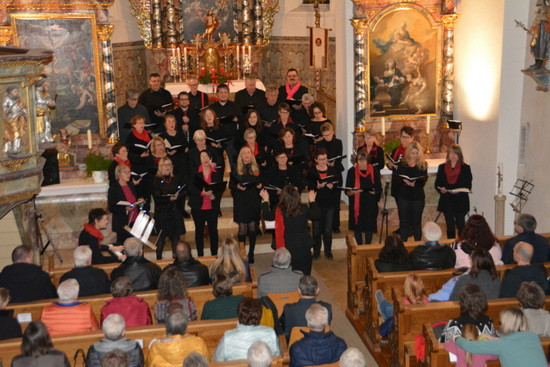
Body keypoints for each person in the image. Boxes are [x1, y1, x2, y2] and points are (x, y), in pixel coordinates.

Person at [455, 307, 547, 367]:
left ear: (507, 324)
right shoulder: (534, 338)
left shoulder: (502, 344)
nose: (500, 325)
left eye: (501, 323)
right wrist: (496, 339)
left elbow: (472, 346)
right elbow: (516, 344)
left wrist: (456, 338)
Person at [260, 186, 321, 275]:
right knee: (304, 274)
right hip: (303, 247)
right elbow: (317, 215)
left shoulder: (278, 209)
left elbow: (267, 216)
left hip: (285, 247)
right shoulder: (303, 208)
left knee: (287, 274)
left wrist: (265, 201)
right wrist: (312, 201)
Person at [213, 298, 281, 361]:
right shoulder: (270, 333)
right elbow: (278, 358)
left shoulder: (227, 338)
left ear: (239, 314)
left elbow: (217, 361)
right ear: (260, 315)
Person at [188, 150, 224, 256]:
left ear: (210, 158)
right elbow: (190, 188)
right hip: (198, 206)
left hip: (211, 206)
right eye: (202, 157)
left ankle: (214, 255)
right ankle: (200, 255)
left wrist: (214, 196)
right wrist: (201, 193)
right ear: (199, 160)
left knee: (213, 231)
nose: (205, 159)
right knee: (199, 231)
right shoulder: (195, 172)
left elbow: (219, 189)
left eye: (207, 156)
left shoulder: (216, 173)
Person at [307, 148, 342, 259]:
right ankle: (316, 252)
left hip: (329, 203)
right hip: (316, 203)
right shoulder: (312, 171)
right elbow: (309, 186)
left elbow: (338, 185)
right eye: (321, 159)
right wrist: (317, 187)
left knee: (328, 229)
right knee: (316, 229)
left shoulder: (332, 170)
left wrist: (333, 187)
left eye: (325, 159)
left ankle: (328, 251)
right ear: (316, 160)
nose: (323, 161)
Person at [230, 146, 263, 263]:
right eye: (244, 153)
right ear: (241, 155)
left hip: (253, 199)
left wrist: (260, 186)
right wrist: (237, 186)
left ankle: (251, 252)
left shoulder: (256, 167)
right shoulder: (236, 168)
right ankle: (242, 252)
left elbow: (262, 182)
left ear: (251, 154)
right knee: (242, 228)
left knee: (253, 226)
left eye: (248, 153)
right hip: (241, 200)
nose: (246, 155)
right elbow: (231, 184)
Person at [434, 144, 473, 239]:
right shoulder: (442, 167)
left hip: (460, 200)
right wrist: (441, 190)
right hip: (447, 199)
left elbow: (468, 185)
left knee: (461, 226)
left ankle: (461, 246)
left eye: (456, 153)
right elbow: (437, 184)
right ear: (448, 154)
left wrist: (458, 191)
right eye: (451, 153)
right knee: (450, 226)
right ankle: (450, 244)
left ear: (459, 155)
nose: (453, 155)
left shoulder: (465, 168)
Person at [345, 149, 382, 245]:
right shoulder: (351, 172)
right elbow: (347, 190)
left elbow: (378, 188)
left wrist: (374, 192)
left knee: (369, 227)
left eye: (364, 160)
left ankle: (368, 246)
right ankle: (359, 248)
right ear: (356, 161)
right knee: (358, 227)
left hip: (370, 204)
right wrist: (352, 192)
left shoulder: (374, 171)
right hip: (357, 205)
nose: (362, 163)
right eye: (359, 160)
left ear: (367, 160)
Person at [152, 157, 185, 259]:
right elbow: (157, 198)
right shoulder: (156, 181)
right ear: (160, 167)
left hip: (174, 213)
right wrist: (168, 199)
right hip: (162, 213)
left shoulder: (175, 179)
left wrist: (177, 196)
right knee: (161, 238)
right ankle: (159, 260)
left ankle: (176, 260)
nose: (168, 167)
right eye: (165, 164)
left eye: (169, 164)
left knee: (176, 238)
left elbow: (181, 192)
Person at [395, 141, 428, 241]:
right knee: (404, 222)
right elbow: (397, 179)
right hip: (404, 195)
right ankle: (403, 245)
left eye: (416, 153)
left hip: (417, 196)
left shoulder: (423, 164)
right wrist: (405, 182)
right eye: (412, 153)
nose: (414, 156)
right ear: (408, 153)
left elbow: (423, 180)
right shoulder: (402, 164)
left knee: (416, 222)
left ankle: (417, 245)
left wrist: (414, 183)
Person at [315, 122, 345, 233]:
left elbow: (339, 157)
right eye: (325, 135)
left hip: (336, 171)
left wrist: (333, 162)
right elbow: (318, 158)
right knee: (323, 199)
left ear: (333, 132)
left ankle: (335, 225)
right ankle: (322, 224)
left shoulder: (338, 142)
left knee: (335, 200)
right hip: (323, 172)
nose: (327, 137)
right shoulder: (320, 144)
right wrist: (325, 162)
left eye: (329, 134)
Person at [108, 164, 145, 244]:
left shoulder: (131, 185)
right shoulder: (113, 188)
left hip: (135, 220)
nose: (129, 174)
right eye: (126, 172)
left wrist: (139, 200)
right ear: (119, 175)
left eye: (129, 172)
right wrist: (125, 209)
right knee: (124, 246)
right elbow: (111, 207)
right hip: (122, 222)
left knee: (137, 245)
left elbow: (135, 198)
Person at [124, 114, 153, 211]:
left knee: (147, 194)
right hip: (136, 168)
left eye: (143, 123)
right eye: (139, 123)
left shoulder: (148, 135)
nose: (142, 124)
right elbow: (128, 154)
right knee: (137, 194)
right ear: (134, 125)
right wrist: (140, 156)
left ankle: (147, 214)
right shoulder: (131, 137)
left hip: (147, 167)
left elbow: (152, 147)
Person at [209, 83, 242, 150]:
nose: (223, 95)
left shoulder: (235, 106)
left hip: (231, 139)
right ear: (217, 94)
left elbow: (242, 119)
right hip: (217, 139)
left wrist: (237, 119)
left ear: (228, 94)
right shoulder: (211, 108)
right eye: (221, 92)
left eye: (225, 92)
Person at [387, 126, 414, 206]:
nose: (404, 139)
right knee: (401, 212)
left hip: (408, 186)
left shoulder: (414, 151)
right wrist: (389, 165)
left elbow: (412, 168)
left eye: (407, 137)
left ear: (412, 138)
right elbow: (392, 163)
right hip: (397, 185)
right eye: (402, 137)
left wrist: (397, 167)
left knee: (408, 213)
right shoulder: (396, 150)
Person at [200, 107, 227, 171]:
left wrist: (220, 145)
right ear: (203, 118)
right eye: (206, 115)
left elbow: (226, 142)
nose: (208, 117)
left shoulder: (220, 128)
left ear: (214, 115)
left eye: (210, 114)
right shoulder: (201, 130)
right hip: (206, 156)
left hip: (219, 156)